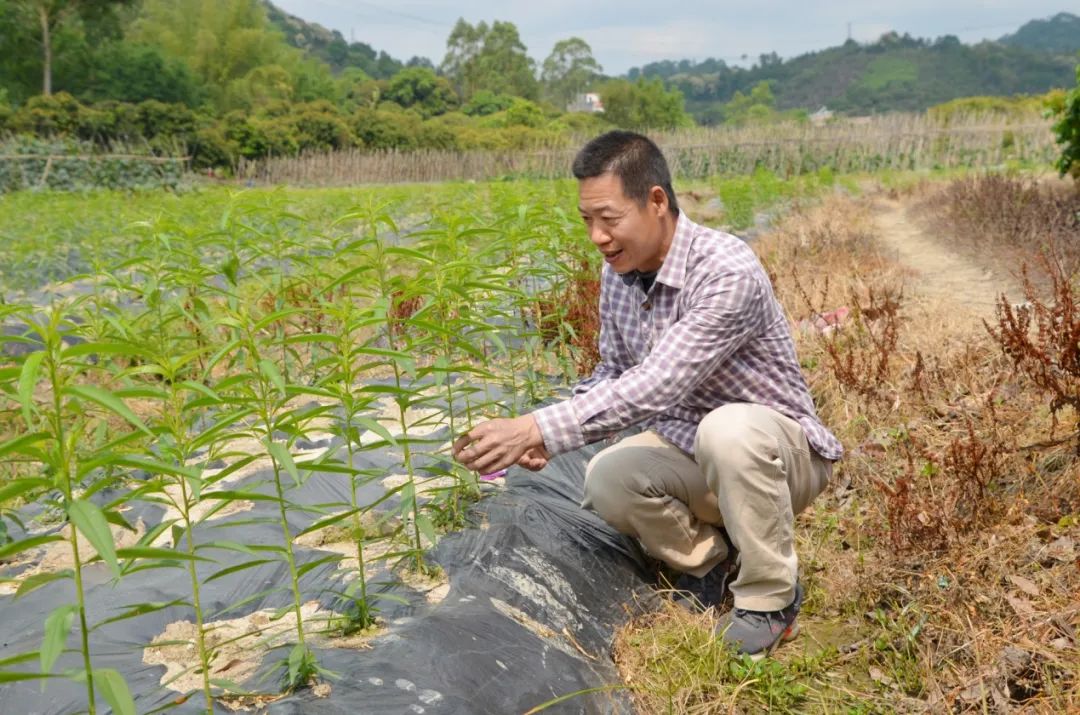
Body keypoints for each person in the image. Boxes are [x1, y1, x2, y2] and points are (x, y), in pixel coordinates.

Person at [452, 130, 842, 659]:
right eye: (587, 220)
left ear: (656, 201)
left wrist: (538, 426)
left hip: (778, 454)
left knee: (726, 430)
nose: (596, 236)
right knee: (608, 478)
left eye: (608, 219)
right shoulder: (621, 274)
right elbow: (614, 370)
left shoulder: (725, 269)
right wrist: (546, 437)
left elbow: (660, 380)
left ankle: (771, 598)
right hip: (694, 454)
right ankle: (711, 564)